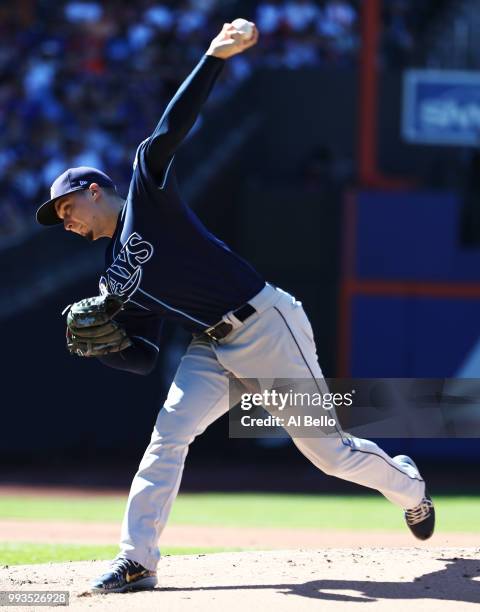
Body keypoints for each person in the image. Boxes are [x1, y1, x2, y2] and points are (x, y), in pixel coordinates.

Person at [35, 20, 435, 594]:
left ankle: (410, 488)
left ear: (93, 190)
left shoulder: (146, 198)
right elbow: (145, 357)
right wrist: (113, 347)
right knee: (167, 436)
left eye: (66, 208)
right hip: (211, 345)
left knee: (329, 454)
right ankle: (138, 559)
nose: (64, 221)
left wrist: (214, 56)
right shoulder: (113, 277)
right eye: (58, 218)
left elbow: (164, 135)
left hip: (265, 322)